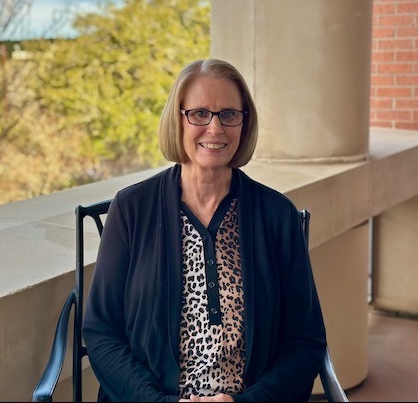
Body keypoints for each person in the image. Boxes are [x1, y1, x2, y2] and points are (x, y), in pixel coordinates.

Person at [83, 58, 327, 402]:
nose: (215, 129)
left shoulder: (277, 215)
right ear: (177, 119)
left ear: (244, 123)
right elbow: (102, 332)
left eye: (229, 114)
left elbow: (305, 340)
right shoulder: (131, 209)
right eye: (199, 114)